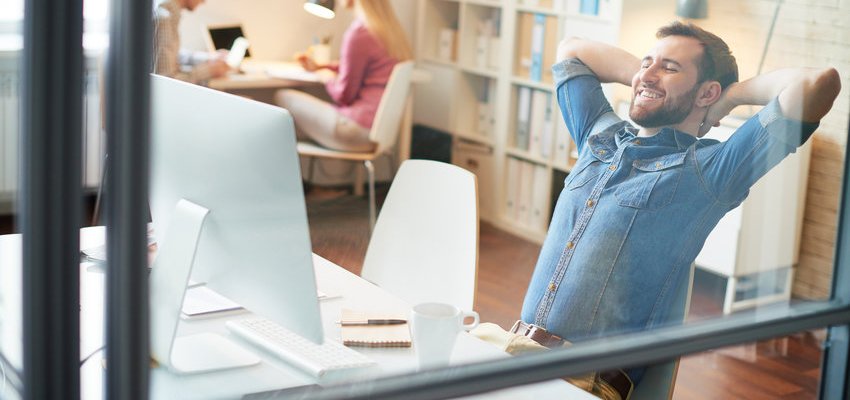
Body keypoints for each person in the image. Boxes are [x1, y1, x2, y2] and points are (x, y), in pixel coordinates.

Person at [483, 21, 840, 400]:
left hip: (578, 383)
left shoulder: (709, 172)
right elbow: (571, 51)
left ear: (707, 92)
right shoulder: (599, 137)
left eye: (670, 68)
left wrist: (731, 97)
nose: (648, 74)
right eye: (645, 62)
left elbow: (819, 83)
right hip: (510, 352)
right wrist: (648, 78)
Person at [274, 0, 412, 153]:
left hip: (354, 130)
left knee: (283, 96)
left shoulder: (359, 33)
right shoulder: (390, 32)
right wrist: (322, 67)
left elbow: (344, 95)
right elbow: (359, 66)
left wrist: (325, 76)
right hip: (378, 132)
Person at [152, 0, 230, 85]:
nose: (204, 2)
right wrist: (208, 71)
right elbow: (167, 81)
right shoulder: (163, 18)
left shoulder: (167, 13)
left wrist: (209, 57)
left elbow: (174, 55)